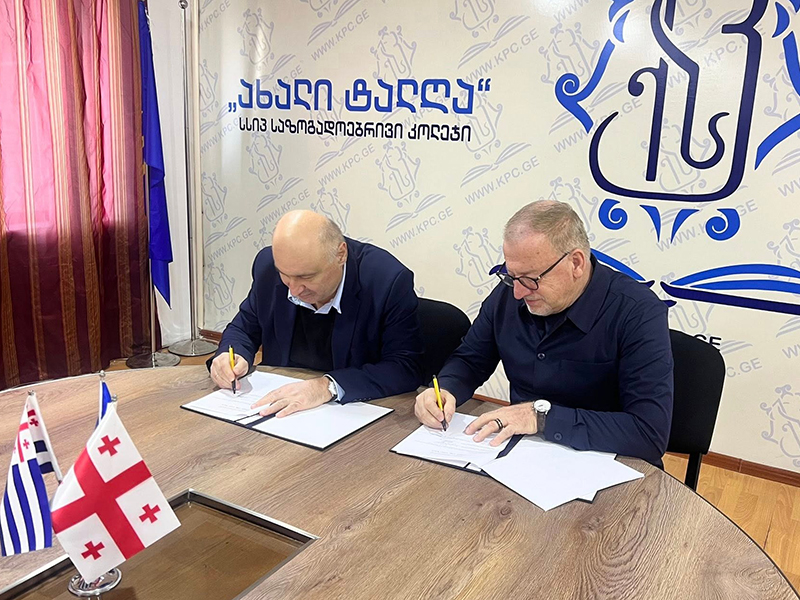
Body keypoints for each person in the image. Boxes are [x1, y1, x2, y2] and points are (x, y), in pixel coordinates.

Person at [414, 200, 673, 466]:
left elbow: (648, 433)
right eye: (511, 276)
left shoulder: (637, 312)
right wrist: (445, 390)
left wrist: (541, 418)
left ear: (576, 263)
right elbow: (471, 360)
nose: (518, 292)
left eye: (531, 279)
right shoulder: (509, 295)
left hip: (606, 463)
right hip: (518, 457)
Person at [209, 210, 424, 417]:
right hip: (278, 409)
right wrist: (230, 355)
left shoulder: (386, 280)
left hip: (350, 412)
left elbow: (405, 367)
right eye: (285, 275)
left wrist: (328, 386)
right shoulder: (268, 266)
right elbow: (244, 328)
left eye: (306, 277)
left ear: (340, 255)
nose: (294, 290)